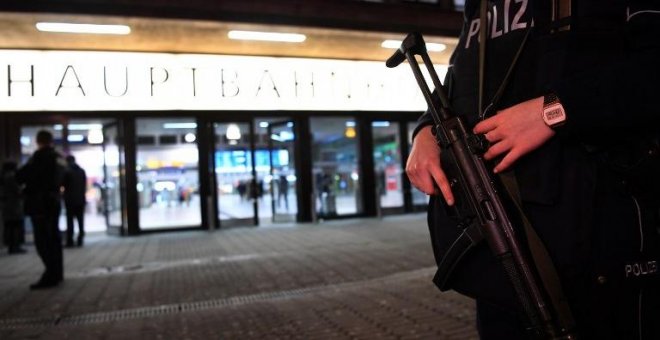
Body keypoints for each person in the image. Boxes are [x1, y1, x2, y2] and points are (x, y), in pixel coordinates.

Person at [405, 1, 660, 339]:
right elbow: (459, 78)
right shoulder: (481, 6)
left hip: (595, 248)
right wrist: (426, 130)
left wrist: (554, 110)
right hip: (501, 249)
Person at [16, 130, 66, 290]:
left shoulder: (40, 157)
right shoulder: (59, 158)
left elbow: (21, 176)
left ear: (38, 141)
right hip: (54, 201)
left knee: (43, 240)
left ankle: (50, 275)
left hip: (40, 203)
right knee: (54, 238)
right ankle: (57, 273)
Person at [0, 161, 26, 254]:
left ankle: (11, 245)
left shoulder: (3, 176)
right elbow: (18, 190)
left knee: (9, 226)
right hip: (14, 204)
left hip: (6, 205)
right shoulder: (11, 177)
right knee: (15, 226)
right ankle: (15, 246)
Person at [62, 155, 87, 247]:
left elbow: (61, 184)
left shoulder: (66, 171)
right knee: (80, 221)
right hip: (80, 199)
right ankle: (80, 239)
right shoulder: (81, 171)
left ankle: (70, 241)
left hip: (70, 200)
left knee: (70, 221)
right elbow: (84, 186)